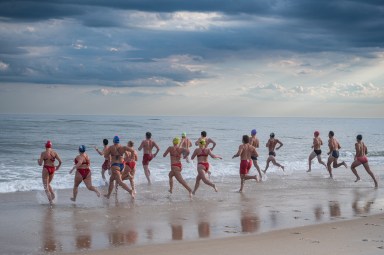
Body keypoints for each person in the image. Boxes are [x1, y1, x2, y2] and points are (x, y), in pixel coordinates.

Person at [37, 140, 62, 206]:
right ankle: (53, 194)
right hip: (52, 169)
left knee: (46, 186)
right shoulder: (54, 153)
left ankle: (50, 201)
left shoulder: (43, 153)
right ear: (51, 146)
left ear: (45, 146)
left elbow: (40, 164)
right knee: (48, 184)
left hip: (46, 169)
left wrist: (38, 161)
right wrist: (58, 167)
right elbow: (60, 161)